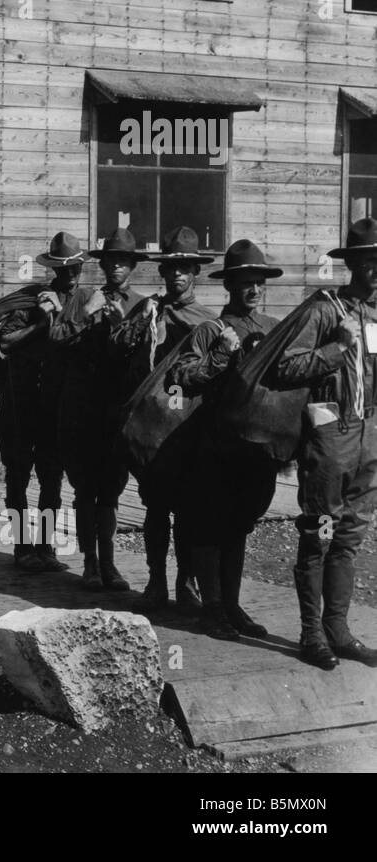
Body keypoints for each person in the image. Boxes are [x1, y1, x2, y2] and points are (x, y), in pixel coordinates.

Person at [273, 218, 377, 669]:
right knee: (320, 533)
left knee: (351, 536)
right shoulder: (324, 310)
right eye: (367, 260)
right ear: (351, 264)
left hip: (371, 436)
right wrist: (336, 349)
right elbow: (285, 369)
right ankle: (311, 634)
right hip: (331, 432)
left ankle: (339, 631)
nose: (375, 269)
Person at [170, 240, 282, 641]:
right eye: (244, 282)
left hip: (257, 451)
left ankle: (232, 605)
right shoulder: (210, 330)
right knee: (208, 526)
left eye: (257, 282)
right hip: (216, 446)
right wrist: (220, 354)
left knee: (239, 527)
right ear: (229, 287)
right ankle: (212, 608)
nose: (252, 289)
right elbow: (182, 377)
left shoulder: (273, 329)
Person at [112, 225, 217, 612]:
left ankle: (185, 581)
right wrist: (141, 324)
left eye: (185, 268)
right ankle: (156, 581)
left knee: (189, 510)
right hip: (152, 429)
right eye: (172, 268)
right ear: (162, 273)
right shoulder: (149, 309)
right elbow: (118, 348)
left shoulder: (207, 320)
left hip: (189, 429)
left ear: (196, 273)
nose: (178, 275)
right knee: (155, 508)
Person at [49, 227, 147, 591]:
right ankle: (90, 563)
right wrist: (86, 315)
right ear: (102, 264)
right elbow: (56, 339)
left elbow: (144, 363)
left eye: (123, 261)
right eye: (110, 261)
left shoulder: (141, 305)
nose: (116, 267)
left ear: (132, 266)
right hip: (81, 411)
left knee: (111, 490)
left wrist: (124, 330)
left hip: (117, 411)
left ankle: (109, 563)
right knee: (84, 489)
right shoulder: (83, 299)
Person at [0, 232, 84, 572]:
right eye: (63, 268)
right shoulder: (31, 301)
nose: (70, 274)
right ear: (53, 270)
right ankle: (21, 548)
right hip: (19, 402)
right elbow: (5, 342)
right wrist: (41, 323)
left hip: (55, 405)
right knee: (17, 476)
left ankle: (45, 548)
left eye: (74, 266)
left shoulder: (82, 302)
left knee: (51, 477)